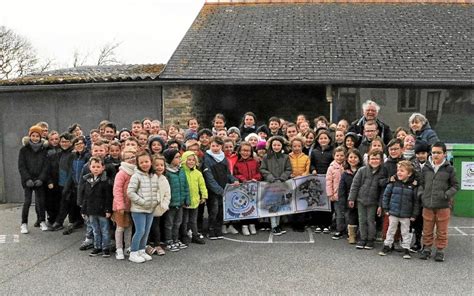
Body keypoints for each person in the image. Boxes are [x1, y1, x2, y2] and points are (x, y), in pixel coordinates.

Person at [419, 142, 459, 262]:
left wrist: (446, 195)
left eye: (439, 152)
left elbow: (455, 186)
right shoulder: (426, 168)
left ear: (445, 154)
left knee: (442, 230)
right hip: (428, 205)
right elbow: (421, 184)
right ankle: (426, 249)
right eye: (434, 152)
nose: (435, 155)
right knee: (427, 229)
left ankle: (440, 250)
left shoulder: (450, 169)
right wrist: (421, 195)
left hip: (443, 206)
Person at [379, 161, 419, 259]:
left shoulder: (413, 186)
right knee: (391, 230)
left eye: (402, 171)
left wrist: (414, 214)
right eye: (398, 170)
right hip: (393, 212)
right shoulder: (392, 183)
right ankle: (387, 245)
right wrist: (386, 209)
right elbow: (386, 196)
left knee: (405, 232)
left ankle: (406, 248)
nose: (399, 173)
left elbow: (416, 202)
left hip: (406, 214)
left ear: (409, 174)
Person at [348, 150, 387, 250]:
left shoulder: (383, 172)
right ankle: (363, 238)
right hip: (361, 200)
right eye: (372, 159)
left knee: (370, 220)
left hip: (373, 202)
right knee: (362, 220)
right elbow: (355, 185)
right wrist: (352, 198)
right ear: (368, 160)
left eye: (377, 158)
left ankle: (370, 239)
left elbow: (383, 191)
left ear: (381, 160)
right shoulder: (362, 170)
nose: (374, 161)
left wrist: (380, 205)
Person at [202, 136, 238, 239]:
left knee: (221, 211)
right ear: (210, 146)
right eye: (213, 145)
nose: (215, 148)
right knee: (214, 211)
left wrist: (234, 179)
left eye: (217, 146)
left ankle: (218, 230)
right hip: (214, 191)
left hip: (224, 190)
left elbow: (227, 174)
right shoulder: (207, 158)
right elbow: (209, 178)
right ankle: (211, 230)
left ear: (221, 146)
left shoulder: (224, 158)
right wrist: (219, 190)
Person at [127, 151, 159, 263]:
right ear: (138, 164)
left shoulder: (154, 175)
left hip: (151, 208)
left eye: (147, 161)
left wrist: (157, 200)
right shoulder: (136, 176)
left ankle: (141, 250)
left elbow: (157, 190)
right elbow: (130, 192)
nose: (144, 164)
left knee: (146, 231)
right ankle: (133, 252)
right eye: (141, 162)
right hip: (138, 209)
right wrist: (142, 202)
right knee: (140, 230)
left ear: (151, 162)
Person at [80, 157, 113, 257]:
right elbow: (86, 197)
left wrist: (108, 209)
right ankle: (97, 247)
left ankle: (105, 247)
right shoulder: (87, 181)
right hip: (91, 210)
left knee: (105, 230)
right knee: (95, 230)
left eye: (98, 167)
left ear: (103, 168)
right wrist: (83, 210)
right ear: (90, 168)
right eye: (93, 166)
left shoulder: (105, 181)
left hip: (102, 210)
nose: (96, 169)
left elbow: (108, 197)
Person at [18, 125, 49, 234]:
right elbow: (21, 166)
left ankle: (42, 221)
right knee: (27, 201)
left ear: (40, 137)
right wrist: (27, 179)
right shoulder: (24, 150)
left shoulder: (44, 150)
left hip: (39, 180)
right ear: (29, 136)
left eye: (37, 136)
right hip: (28, 180)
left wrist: (41, 179)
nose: (35, 138)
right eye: (33, 135)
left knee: (41, 202)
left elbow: (46, 166)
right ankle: (24, 223)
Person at [260, 136, 292, 236]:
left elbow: (288, 169)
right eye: (274, 145)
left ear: (282, 145)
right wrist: (271, 177)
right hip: (271, 184)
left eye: (278, 145)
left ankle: (278, 225)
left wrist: (282, 177)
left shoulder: (286, 157)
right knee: (272, 205)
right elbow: (263, 169)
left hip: (281, 184)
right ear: (271, 146)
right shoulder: (266, 157)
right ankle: (274, 226)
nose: (276, 147)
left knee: (280, 205)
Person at [163, 148, 190, 251]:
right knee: (169, 223)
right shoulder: (167, 173)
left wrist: (187, 199)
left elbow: (185, 186)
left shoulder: (181, 170)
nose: (179, 159)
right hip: (171, 203)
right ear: (170, 159)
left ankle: (175, 239)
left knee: (178, 222)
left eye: (179, 157)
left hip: (180, 202)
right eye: (176, 157)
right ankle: (168, 241)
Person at [233, 141, 262, 235]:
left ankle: (252, 224)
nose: (245, 153)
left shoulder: (255, 161)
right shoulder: (237, 163)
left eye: (248, 151)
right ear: (240, 151)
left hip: (253, 187)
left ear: (251, 152)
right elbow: (236, 174)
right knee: (244, 207)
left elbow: (259, 173)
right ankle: (244, 225)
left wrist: (255, 178)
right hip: (242, 188)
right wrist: (243, 179)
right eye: (243, 150)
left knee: (253, 206)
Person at [112, 148, 136, 260]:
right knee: (120, 228)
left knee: (129, 227)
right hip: (120, 206)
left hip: (132, 206)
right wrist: (120, 205)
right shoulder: (122, 173)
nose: (131, 159)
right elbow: (117, 190)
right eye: (128, 157)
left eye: (133, 157)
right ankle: (119, 249)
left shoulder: (136, 171)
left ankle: (128, 246)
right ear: (123, 160)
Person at [180, 151, 208, 244]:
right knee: (184, 220)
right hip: (184, 201)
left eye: (193, 160)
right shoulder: (181, 171)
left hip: (195, 200)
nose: (191, 162)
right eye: (189, 160)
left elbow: (202, 185)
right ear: (184, 160)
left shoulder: (198, 173)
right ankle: (184, 235)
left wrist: (204, 196)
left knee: (193, 220)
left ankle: (195, 235)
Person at [338, 149, 363, 244]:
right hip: (349, 199)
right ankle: (351, 235)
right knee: (351, 217)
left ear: (359, 159)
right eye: (351, 157)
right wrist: (343, 201)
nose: (353, 159)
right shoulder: (345, 173)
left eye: (355, 157)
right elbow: (342, 189)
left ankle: (361, 235)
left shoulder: (362, 171)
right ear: (347, 159)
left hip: (360, 198)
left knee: (361, 217)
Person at [148, 155, 171, 255]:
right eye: (156, 165)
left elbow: (167, 193)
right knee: (147, 228)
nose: (159, 167)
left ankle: (157, 244)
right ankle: (147, 245)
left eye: (162, 165)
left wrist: (165, 205)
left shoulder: (164, 179)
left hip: (159, 208)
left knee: (156, 227)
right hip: (148, 207)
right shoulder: (148, 177)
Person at [288, 137, 310, 232]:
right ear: (291, 146)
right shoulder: (288, 157)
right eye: (294, 146)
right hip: (291, 182)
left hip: (302, 182)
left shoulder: (306, 157)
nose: (296, 148)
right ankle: (294, 223)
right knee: (293, 203)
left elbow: (307, 169)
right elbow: (287, 168)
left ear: (302, 146)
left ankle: (301, 224)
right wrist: (290, 175)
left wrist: (302, 176)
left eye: (299, 146)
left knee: (302, 203)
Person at [326, 146, 347, 239]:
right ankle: (339, 230)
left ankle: (348, 229)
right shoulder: (331, 168)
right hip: (336, 194)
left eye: (342, 155)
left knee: (347, 213)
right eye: (337, 155)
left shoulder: (347, 166)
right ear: (334, 156)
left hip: (347, 194)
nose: (340, 157)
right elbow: (328, 181)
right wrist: (330, 194)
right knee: (339, 213)